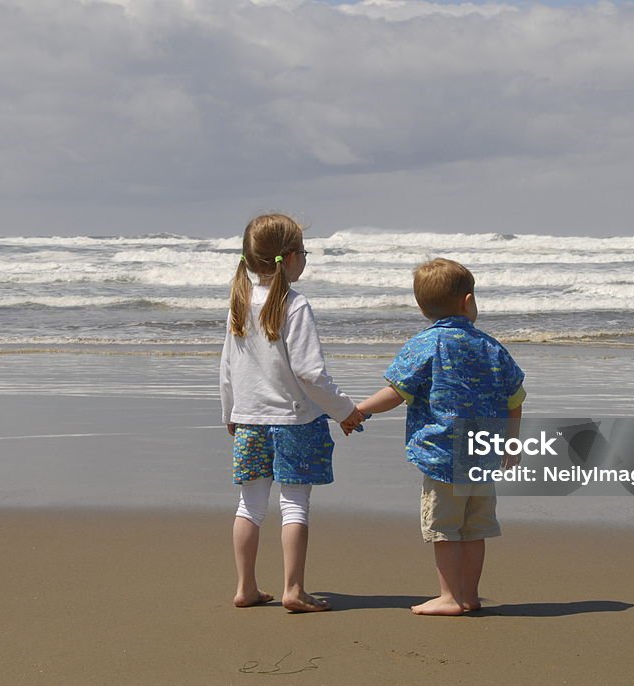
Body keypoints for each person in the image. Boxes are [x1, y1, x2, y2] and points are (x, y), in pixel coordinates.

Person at [353, 258, 524, 616]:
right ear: (468, 301)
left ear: (421, 308)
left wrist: (361, 409)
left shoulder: (424, 345)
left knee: (444, 528)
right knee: (475, 529)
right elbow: (515, 397)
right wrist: (512, 442)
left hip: (443, 454)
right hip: (483, 455)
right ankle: (470, 594)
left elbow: (396, 392)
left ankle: (449, 596)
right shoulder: (492, 347)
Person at [220, 213, 364, 613]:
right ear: (288, 257)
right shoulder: (294, 305)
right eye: (303, 250)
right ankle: (293, 589)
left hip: (250, 420)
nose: (306, 257)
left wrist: (230, 412)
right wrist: (345, 411)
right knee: (294, 505)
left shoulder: (240, 301)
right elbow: (310, 372)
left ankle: (246, 587)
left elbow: (227, 367)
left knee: (249, 506)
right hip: (295, 421)